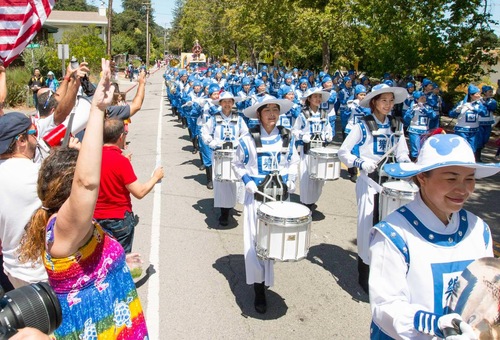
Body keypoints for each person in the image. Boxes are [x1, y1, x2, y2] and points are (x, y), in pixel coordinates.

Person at [18, 59, 149, 339]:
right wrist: (98, 109)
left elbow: (86, 271)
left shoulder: (72, 232)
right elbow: (87, 182)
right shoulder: (63, 229)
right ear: (70, 190)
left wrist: (117, 262)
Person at [369, 133, 500, 339]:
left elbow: (486, 291)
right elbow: (385, 306)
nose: (463, 189)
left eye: (470, 179)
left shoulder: (479, 230)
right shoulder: (393, 234)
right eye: (451, 178)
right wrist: (438, 325)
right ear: (422, 178)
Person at [338, 84, 410, 293]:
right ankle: (365, 272)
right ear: (374, 103)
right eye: (383, 100)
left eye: (390, 101)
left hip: (391, 184)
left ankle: (387, 270)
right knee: (367, 226)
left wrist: (407, 165)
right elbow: (343, 152)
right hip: (369, 183)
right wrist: (360, 162)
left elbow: (403, 152)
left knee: (392, 228)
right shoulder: (362, 126)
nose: (388, 105)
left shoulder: (397, 124)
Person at [232, 98, 299, 314]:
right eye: (267, 110)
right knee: (254, 245)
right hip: (257, 199)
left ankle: (266, 279)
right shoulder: (248, 138)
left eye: (275, 110)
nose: (272, 114)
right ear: (259, 114)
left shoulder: (287, 136)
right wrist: (247, 181)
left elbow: (293, 161)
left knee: (272, 245)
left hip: (279, 199)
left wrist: (290, 180)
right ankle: (258, 290)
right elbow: (237, 162)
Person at [93, 118, 164, 253]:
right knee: (121, 259)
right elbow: (140, 192)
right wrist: (156, 177)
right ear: (121, 137)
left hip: (95, 218)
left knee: (99, 258)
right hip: (118, 218)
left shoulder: (91, 157)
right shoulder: (121, 161)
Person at [0, 112, 48, 288]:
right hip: (41, 272)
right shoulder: (37, 174)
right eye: (33, 132)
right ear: (21, 140)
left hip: (12, 270)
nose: (36, 138)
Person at [201, 91, 248, 226]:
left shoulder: (238, 118)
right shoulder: (214, 118)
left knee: (235, 182)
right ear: (220, 103)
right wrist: (212, 143)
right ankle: (224, 212)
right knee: (222, 184)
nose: (227, 104)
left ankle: (231, 206)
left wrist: (239, 142)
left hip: (235, 154)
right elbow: (205, 133)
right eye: (224, 101)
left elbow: (245, 133)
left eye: (230, 101)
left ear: (233, 103)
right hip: (220, 155)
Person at [294, 87, 334, 210]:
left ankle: (312, 200)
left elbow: (327, 128)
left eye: (319, 97)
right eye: (315, 97)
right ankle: (306, 203)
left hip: (320, 150)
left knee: (319, 178)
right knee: (307, 177)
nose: (318, 99)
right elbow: (294, 130)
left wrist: (328, 134)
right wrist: (302, 136)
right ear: (309, 99)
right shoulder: (302, 115)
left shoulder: (324, 113)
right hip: (307, 150)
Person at [448, 84, 487, 158]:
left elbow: (484, 113)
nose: (479, 95)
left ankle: (469, 166)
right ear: (471, 95)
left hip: (474, 131)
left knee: (472, 149)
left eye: (479, 93)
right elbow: (451, 114)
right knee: (461, 148)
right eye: (477, 93)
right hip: (461, 130)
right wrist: (457, 110)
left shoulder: (479, 104)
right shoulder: (462, 103)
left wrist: (474, 109)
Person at [344, 84, 371, 182]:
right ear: (356, 95)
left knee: (360, 151)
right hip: (351, 129)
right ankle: (353, 172)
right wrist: (348, 108)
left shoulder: (367, 104)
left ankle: (362, 171)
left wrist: (360, 107)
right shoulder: (351, 103)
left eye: (364, 94)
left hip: (362, 132)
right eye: (361, 95)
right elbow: (345, 116)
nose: (363, 97)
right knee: (350, 152)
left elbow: (368, 114)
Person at [403, 90, 437, 161]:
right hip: (414, 131)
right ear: (417, 99)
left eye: (424, 97)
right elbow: (406, 119)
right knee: (415, 150)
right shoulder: (412, 108)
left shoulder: (428, 107)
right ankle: (414, 163)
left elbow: (433, 116)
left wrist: (424, 109)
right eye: (421, 98)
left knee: (424, 149)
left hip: (425, 131)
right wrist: (412, 110)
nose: (424, 99)